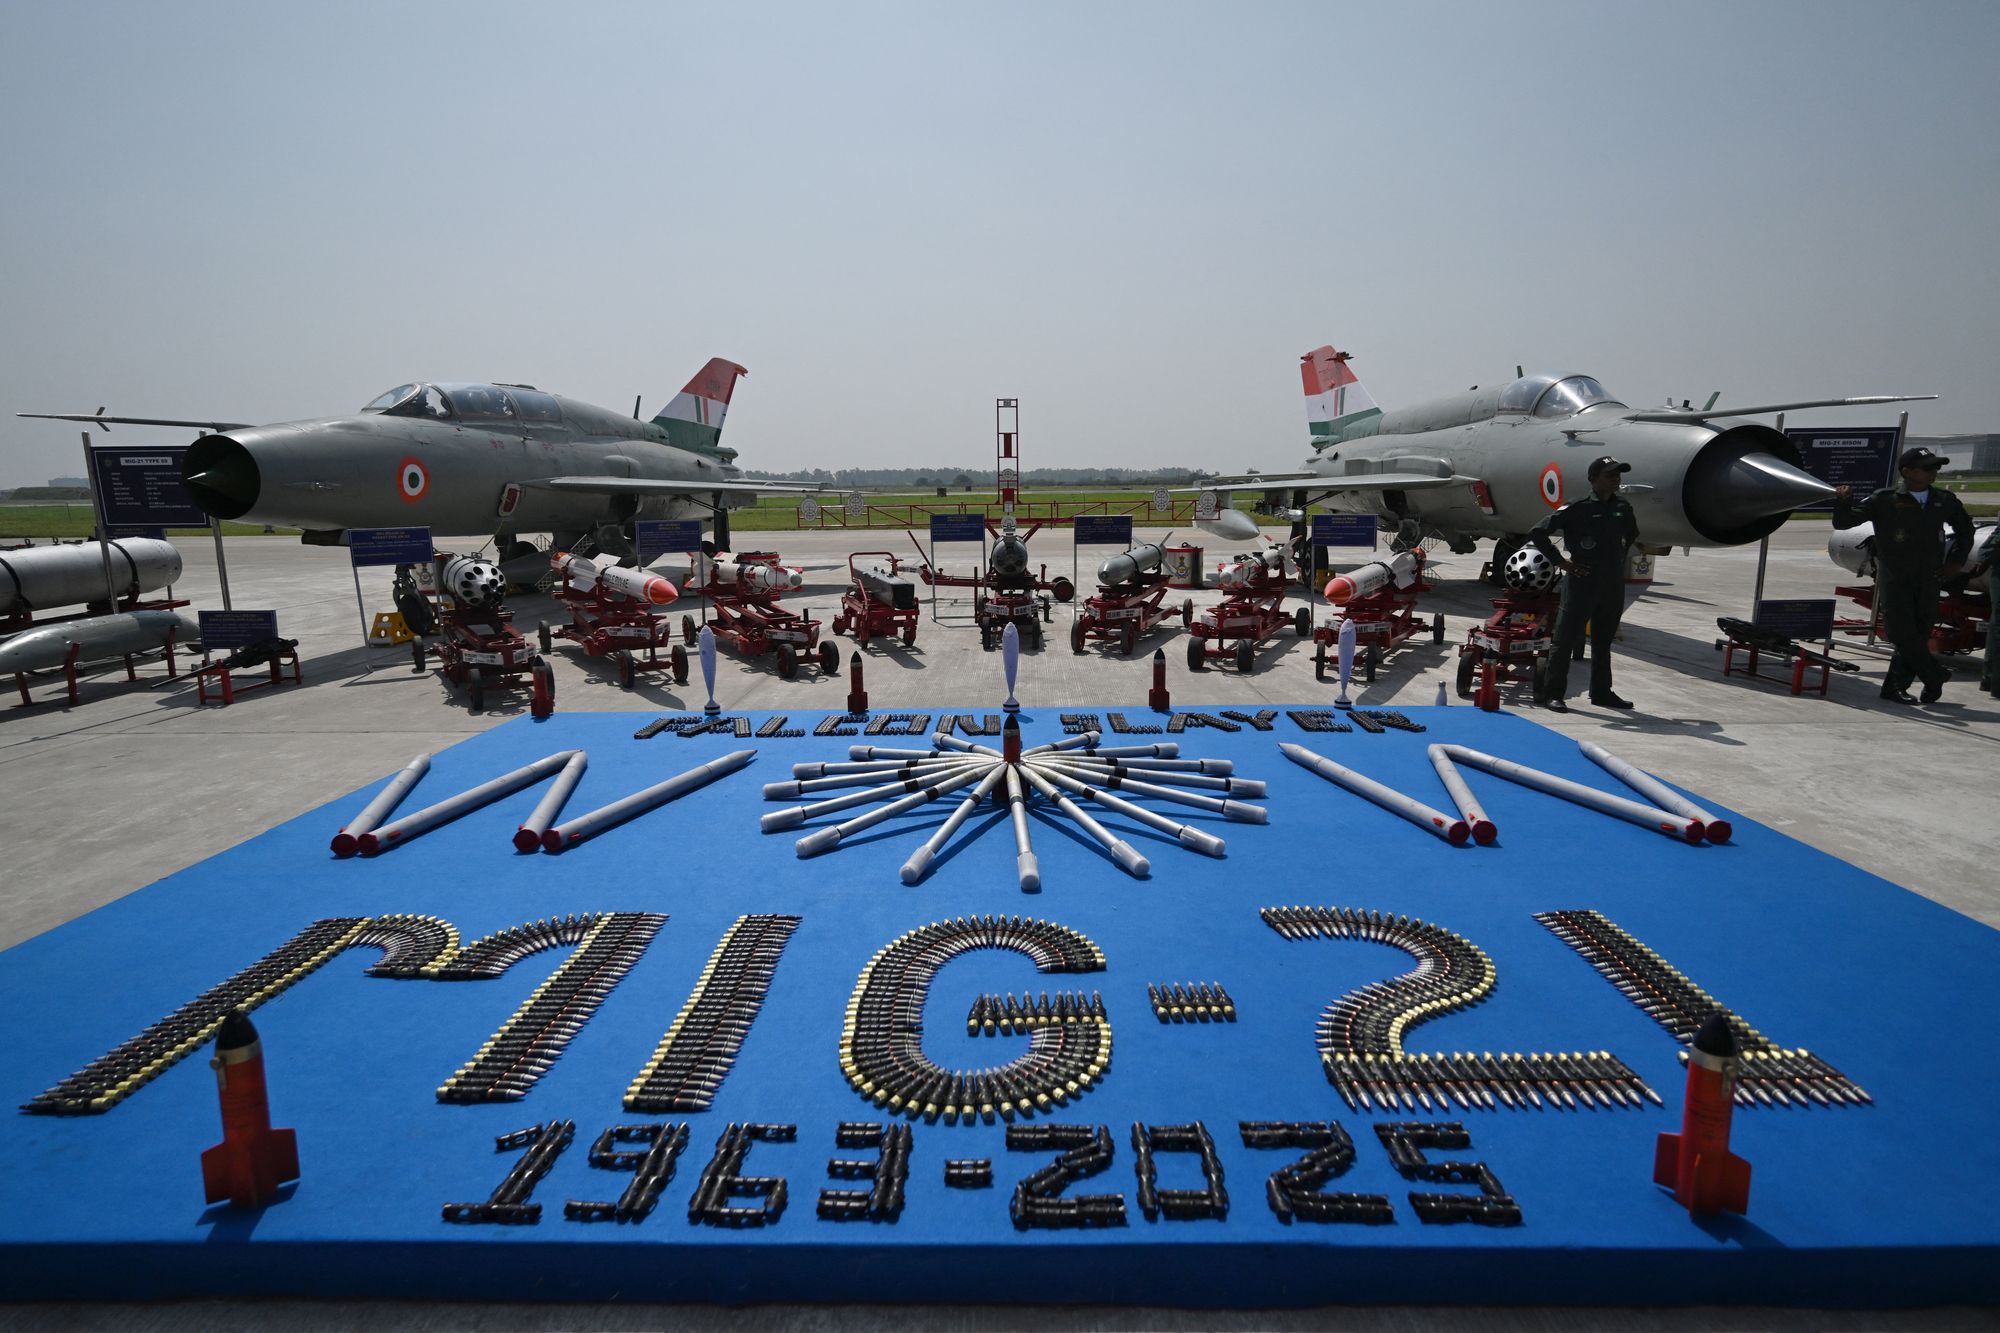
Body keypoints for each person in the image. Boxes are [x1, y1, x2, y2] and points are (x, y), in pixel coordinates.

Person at [1833, 446, 1973, 705]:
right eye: (1928, 467)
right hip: (1895, 575)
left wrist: (1956, 561)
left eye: (1936, 467)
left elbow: (1966, 530)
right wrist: (1843, 501)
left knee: (1919, 632)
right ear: (1907, 472)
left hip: (1930, 575)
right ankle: (1933, 674)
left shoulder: (1944, 500)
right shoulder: (1884, 499)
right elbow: (1844, 523)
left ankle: (1896, 687)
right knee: (1899, 632)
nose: (1934, 472)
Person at [1528, 456, 1640, 713]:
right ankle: (1553, 694)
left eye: (1618, 474)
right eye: (1610, 475)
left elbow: (1632, 534)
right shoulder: (1577, 507)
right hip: (1582, 582)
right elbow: (1538, 531)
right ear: (1593, 479)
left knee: (1603, 641)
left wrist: (1617, 559)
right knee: (1564, 640)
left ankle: (1602, 692)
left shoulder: (1623, 507)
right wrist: (1562, 562)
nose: (1616, 479)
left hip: (1612, 583)